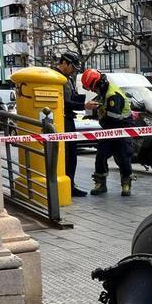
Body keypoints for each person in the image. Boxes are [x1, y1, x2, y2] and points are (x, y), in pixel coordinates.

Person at [80, 69, 135, 196]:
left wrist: (98, 112)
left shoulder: (112, 95)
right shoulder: (103, 92)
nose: (92, 91)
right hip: (109, 129)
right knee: (101, 155)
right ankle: (100, 183)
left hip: (122, 128)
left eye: (92, 88)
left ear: (97, 84)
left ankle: (126, 183)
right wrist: (92, 113)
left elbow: (113, 116)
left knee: (124, 156)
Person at [53, 52, 87, 197]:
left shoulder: (68, 79)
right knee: (65, 154)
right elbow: (63, 103)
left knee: (72, 155)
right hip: (61, 121)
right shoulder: (55, 78)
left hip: (69, 120)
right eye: (73, 67)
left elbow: (71, 98)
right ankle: (65, 185)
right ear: (65, 63)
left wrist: (81, 102)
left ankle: (70, 184)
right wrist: (84, 105)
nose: (74, 70)